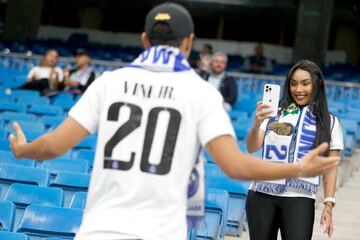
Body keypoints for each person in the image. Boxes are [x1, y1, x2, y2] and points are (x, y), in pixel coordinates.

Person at [9, 3, 339, 240]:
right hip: (162, 231)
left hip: (100, 229)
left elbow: (53, 145)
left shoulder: (109, 82)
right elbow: (236, 166)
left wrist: (23, 150)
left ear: (144, 39)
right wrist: (298, 169)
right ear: (189, 43)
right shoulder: (201, 92)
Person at [245, 60, 343, 240]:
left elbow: (330, 167)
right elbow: (252, 147)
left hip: (300, 198)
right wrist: (257, 122)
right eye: (293, 83)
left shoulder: (330, 122)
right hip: (261, 195)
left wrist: (329, 204)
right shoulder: (274, 113)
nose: (298, 89)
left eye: (305, 83)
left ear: (317, 84)